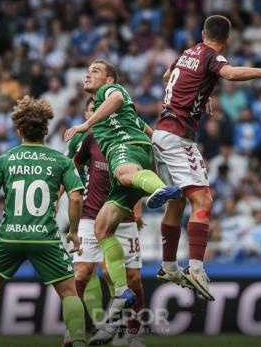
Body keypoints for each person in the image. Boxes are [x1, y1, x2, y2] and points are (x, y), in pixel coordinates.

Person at [152, 14, 261, 300]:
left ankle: (167, 265)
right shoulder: (213, 56)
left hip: (160, 133)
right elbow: (231, 74)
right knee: (202, 199)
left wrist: (202, 94)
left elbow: (168, 77)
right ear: (226, 40)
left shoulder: (188, 52)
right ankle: (196, 269)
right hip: (178, 138)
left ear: (203, 33)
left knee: (177, 199)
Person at [0, 96, 87, 347]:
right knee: (69, 291)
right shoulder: (60, 161)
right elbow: (77, 197)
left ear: (18, 131)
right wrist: (73, 231)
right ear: (46, 130)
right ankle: (79, 343)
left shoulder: (4, 160)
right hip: (45, 237)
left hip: (10, 237)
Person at [64, 59, 179, 322]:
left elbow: (115, 98)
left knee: (123, 172)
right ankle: (121, 291)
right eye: (87, 69)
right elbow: (149, 132)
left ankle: (161, 190)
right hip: (131, 164)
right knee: (102, 228)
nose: (88, 73)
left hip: (125, 150)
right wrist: (162, 154)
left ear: (109, 79)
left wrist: (84, 124)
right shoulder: (123, 116)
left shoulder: (110, 92)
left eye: (95, 71)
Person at [66, 98, 146, 346]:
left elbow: (139, 177)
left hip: (122, 217)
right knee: (82, 271)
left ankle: (132, 336)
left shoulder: (126, 137)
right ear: (87, 113)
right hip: (90, 216)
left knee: (132, 279)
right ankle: (74, 332)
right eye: (92, 110)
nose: (97, 114)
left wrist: (137, 209)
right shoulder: (86, 138)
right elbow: (69, 172)